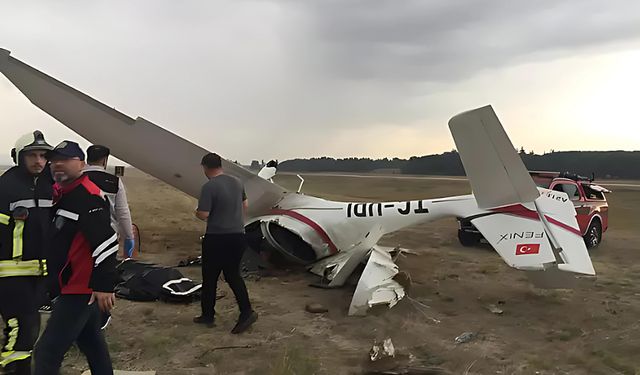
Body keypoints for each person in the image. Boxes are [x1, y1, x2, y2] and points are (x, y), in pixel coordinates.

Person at [33, 141, 117, 375]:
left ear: (81, 163)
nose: (57, 165)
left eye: (65, 160)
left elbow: (107, 240)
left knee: (46, 353)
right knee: (92, 346)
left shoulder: (86, 196)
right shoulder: (64, 193)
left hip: (79, 289)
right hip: (74, 287)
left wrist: (103, 285)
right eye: (54, 160)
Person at [0, 131, 53, 375]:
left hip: (38, 273)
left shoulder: (49, 186)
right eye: (32, 155)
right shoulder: (6, 187)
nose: (38, 161)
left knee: (29, 329)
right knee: (19, 329)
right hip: (10, 274)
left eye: (43, 155)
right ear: (18, 157)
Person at [194, 152, 257, 333]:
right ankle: (246, 312)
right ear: (221, 166)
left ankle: (208, 316)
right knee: (233, 275)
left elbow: (204, 214)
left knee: (210, 277)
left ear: (205, 167)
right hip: (238, 236)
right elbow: (245, 205)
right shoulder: (237, 182)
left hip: (217, 238)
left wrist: (196, 212)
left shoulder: (209, 187)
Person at [83, 145, 135, 258]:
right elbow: (123, 213)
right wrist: (129, 237)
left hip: (81, 236)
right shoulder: (114, 182)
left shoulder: (78, 179)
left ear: (87, 159)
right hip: (108, 237)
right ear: (105, 160)